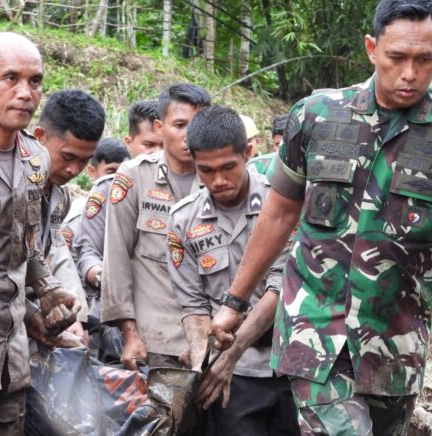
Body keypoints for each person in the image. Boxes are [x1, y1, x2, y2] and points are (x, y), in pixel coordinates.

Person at [210, 1, 432, 434]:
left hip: (394, 348)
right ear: (371, 49)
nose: (409, 73)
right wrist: (235, 301)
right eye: (396, 57)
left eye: (423, 60)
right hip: (316, 334)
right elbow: (278, 215)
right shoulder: (316, 117)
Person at [0, 32, 80, 435]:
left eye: (35, 81)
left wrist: (47, 288)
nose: (25, 93)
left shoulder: (37, 159)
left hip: (8, 363)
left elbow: (22, 239)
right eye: (10, 78)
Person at [168, 105, 300, 435]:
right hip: (234, 378)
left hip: (293, 365)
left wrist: (231, 355)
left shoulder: (282, 205)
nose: (219, 180)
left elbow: (281, 285)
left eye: (228, 167)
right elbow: (193, 305)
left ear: (249, 152)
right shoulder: (183, 220)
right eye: (206, 171)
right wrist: (202, 360)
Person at [101, 84, 210, 370]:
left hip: (209, 339)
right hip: (153, 341)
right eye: (179, 125)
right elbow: (117, 258)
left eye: (197, 125)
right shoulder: (134, 176)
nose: (189, 136)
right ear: (160, 127)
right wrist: (130, 334)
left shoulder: (221, 180)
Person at [30, 89, 107, 347]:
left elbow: (55, 253)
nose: (74, 170)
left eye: (84, 161)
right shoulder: (11, 184)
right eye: (67, 157)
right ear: (39, 137)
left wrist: (74, 313)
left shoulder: (60, 197)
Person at [74, 101, 162, 304]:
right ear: (129, 144)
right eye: (148, 145)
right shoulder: (107, 190)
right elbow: (88, 253)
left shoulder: (190, 189)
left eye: (164, 145)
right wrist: (105, 279)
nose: (157, 154)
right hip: (118, 301)